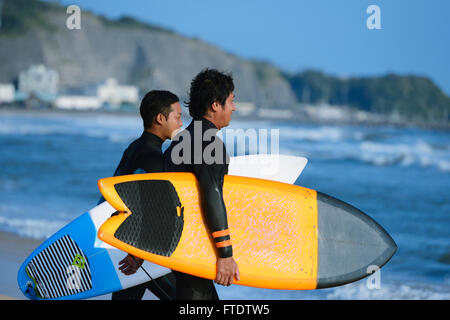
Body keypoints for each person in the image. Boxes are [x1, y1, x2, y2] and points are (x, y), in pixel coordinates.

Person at [164, 68, 240, 300]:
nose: (234, 108)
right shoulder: (209, 145)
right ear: (216, 104)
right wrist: (225, 253)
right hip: (193, 249)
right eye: (231, 101)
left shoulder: (177, 144)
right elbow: (212, 194)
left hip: (173, 248)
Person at [99, 90, 183, 300]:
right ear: (160, 118)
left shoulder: (135, 148)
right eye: (178, 117)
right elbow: (157, 210)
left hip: (122, 240)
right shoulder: (153, 158)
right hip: (137, 249)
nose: (181, 123)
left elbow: (115, 197)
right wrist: (137, 255)